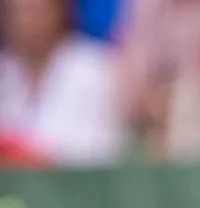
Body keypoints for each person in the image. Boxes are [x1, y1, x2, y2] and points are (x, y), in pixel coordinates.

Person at [0, 0, 125, 166]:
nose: (22, 21)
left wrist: (21, 154)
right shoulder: (6, 73)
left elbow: (94, 154)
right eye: (14, 13)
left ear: (59, 12)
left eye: (32, 11)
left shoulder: (92, 69)